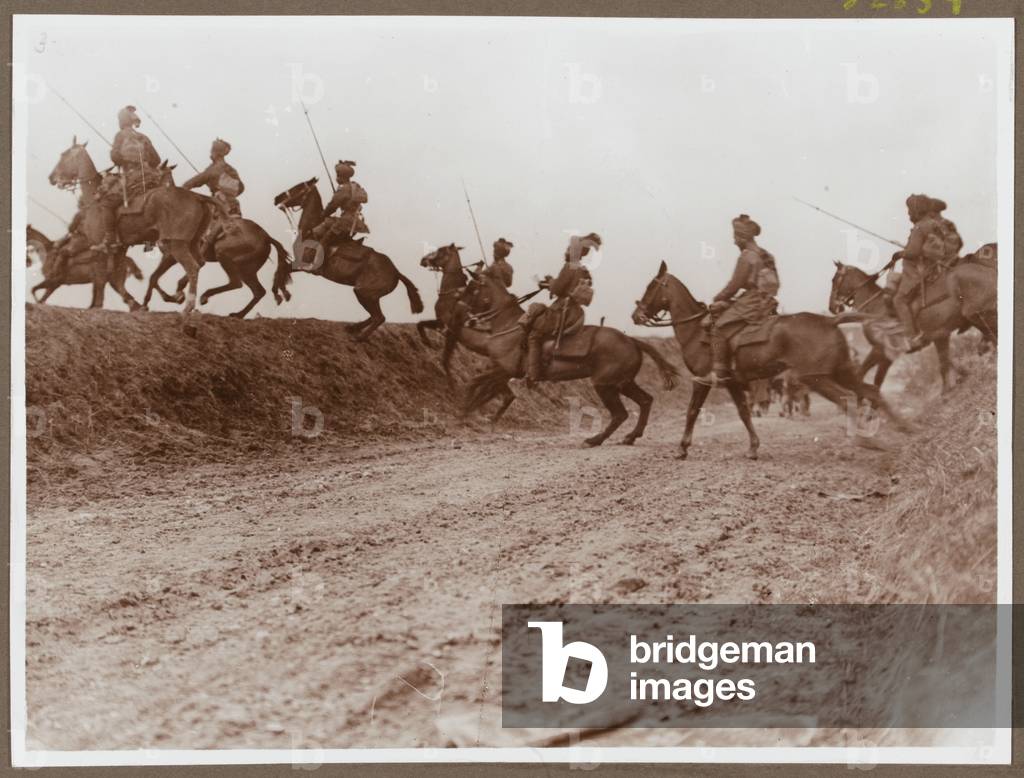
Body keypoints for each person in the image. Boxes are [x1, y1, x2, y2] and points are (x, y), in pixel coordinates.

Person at [520, 232, 600, 387]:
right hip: (575, 313)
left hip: (563, 311)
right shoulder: (583, 270)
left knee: (534, 334)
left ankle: (533, 375)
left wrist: (549, 282)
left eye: (569, 248)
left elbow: (558, 288)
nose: (567, 250)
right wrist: (553, 283)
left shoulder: (569, 266)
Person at [707, 214, 780, 381]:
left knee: (718, 327)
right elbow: (776, 284)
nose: (734, 242)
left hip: (752, 303)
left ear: (742, 237)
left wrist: (718, 297)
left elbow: (734, 285)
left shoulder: (747, 256)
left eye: (735, 237)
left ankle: (720, 373)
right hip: (768, 302)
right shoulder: (767, 255)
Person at [889, 194, 961, 351]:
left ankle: (912, 337)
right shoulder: (935, 224)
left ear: (916, 210)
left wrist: (900, 254)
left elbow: (914, 252)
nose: (908, 214)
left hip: (917, 274)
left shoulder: (919, 227)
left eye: (910, 210)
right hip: (934, 268)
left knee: (899, 300)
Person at [91, 105, 161, 253]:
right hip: (152, 179)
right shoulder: (144, 137)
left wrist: (121, 158)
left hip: (133, 177)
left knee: (107, 202)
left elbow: (115, 157)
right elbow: (156, 160)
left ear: (122, 121)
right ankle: (151, 241)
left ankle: (109, 238)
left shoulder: (120, 135)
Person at [182, 138, 245, 256]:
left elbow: (191, 183)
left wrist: (182, 190)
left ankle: (202, 252)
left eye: (212, 151)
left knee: (200, 225)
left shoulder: (213, 169)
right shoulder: (230, 169)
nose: (210, 153)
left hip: (220, 205)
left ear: (216, 153)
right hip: (234, 205)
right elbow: (241, 188)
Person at [310, 160, 369, 250]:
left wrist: (322, 215)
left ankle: (317, 262)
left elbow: (332, 207)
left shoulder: (343, 189)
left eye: (337, 175)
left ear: (340, 176)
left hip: (344, 223)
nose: (336, 177)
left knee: (321, 238)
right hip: (356, 223)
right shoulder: (355, 186)